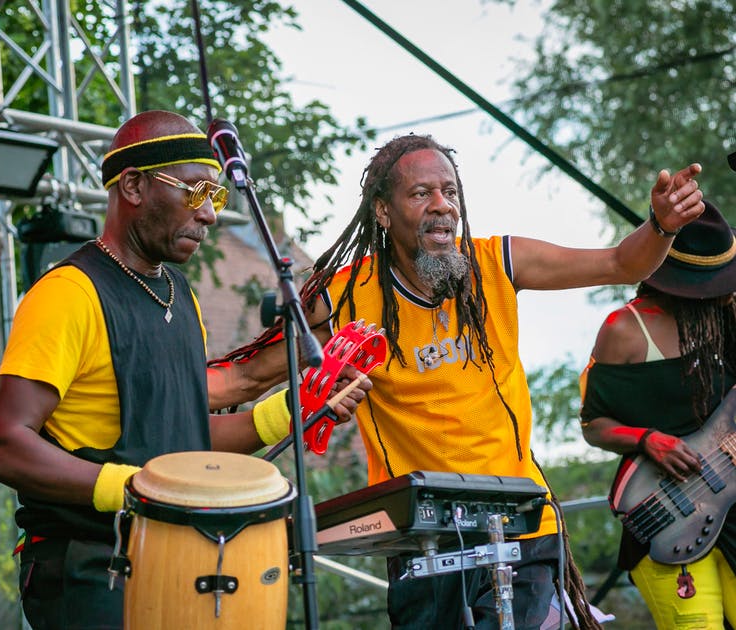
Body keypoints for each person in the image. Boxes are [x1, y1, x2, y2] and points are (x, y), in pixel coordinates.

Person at [207, 133, 706, 629]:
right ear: (383, 211)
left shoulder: (498, 263)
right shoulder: (345, 297)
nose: (442, 205)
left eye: (450, 192)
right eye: (421, 193)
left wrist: (661, 226)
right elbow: (244, 378)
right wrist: (167, 388)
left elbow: (621, 263)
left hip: (521, 522)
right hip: (420, 535)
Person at [0, 110, 369, 630]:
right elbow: (3, 446)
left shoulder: (180, 296)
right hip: (92, 567)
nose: (208, 214)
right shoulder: (67, 294)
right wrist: (138, 488)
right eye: (195, 191)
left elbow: (185, 439)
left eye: (217, 196)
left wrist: (296, 409)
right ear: (134, 186)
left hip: (177, 560)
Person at [579, 200, 736, 629]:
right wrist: (648, 439)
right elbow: (594, 424)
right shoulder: (624, 329)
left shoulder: (728, 316)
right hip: (671, 514)